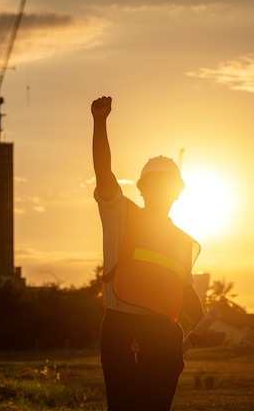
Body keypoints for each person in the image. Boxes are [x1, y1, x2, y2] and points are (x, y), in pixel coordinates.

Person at [91, 95, 207, 411]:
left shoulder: (181, 241)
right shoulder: (120, 214)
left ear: (178, 192)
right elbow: (104, 173)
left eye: (167, 185)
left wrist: (204, 321)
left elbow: (185, 290)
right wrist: (100, 123)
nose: (161, 190)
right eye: (154, 183)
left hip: (166, 338)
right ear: (142, 188)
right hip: (121, 331)